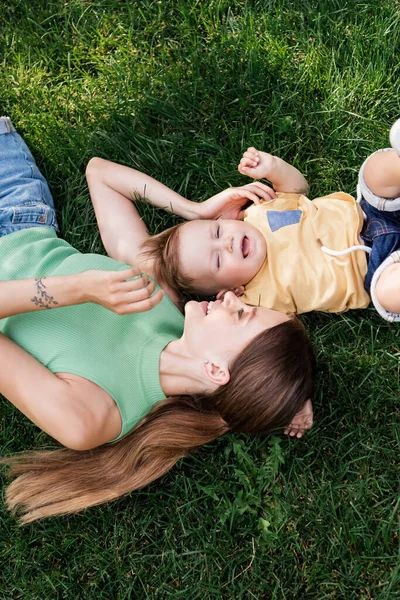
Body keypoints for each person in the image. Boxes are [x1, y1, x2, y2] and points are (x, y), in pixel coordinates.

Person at [0, 117, 315, 523]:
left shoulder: (93, 417)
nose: (226, 298)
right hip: (17, 210)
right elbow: (101, 174)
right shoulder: (163, 302)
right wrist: (195, 209)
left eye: (241, 314)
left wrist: (78, 288)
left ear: (216, 369)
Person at [138, 120, 400, 323]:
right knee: (389, 294)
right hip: (376, 268)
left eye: (217, 231)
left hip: (371, 213)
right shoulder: (257, 298)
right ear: (231, 290)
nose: (226, 244)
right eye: (217, 260)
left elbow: (297, 190)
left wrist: (273, 168)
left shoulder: (258, 213)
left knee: (374, 175)